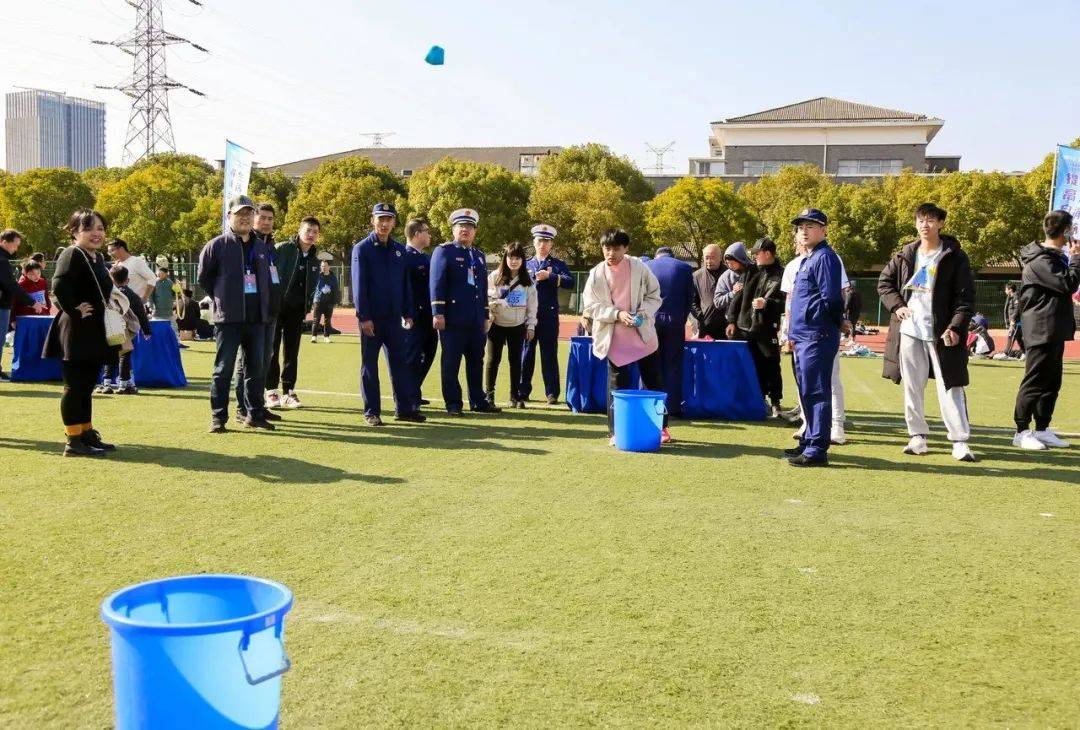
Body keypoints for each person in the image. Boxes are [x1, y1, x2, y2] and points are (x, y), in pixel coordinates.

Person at [878, 203, 976, 462]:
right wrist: (897, 306)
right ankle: (917, 436)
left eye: (931, 220)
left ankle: (959, 440)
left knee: (951, 385)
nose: (925, 225)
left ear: (941, 223)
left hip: (942, 332)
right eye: (921, 220)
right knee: (913, 385)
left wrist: (955, 326)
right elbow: (884, 283)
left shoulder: (955, 256)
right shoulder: (905, 254)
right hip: (910, 331)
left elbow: (965, 298)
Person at [582, 228, 670, 445]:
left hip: (643, 335)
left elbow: (655, 295)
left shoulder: (640, 267)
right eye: (606, 248)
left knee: (654, 383)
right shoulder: (596, 273)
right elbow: (591, 306)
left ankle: (663, 428)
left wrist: (643, 313)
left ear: (626, 248)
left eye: (616, 248)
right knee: (616, 387)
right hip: (614, 338)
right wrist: (617, 314)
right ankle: (615, 432)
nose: (610, 253)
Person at [196, 194, 275, 433]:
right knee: (223, 369)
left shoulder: (262, 247)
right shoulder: (216, 245)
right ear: (229, 216)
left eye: (248, 213)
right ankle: (218, 418)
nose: (244, 218)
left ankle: (255, 414)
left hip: (256, 319)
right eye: (240, 213)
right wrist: (223, 298)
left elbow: (269, 280)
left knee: (256, 370)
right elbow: (204, 279)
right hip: (228, 319)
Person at [43, 210, 118, 455]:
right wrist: (75, 310)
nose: (97, 234)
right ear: (75, 232)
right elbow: (58, 286)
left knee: (86, 385)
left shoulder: (95, 258)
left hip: (93, 330)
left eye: (101, 228)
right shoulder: (71, 253)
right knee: (74, 386)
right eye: (89, 229)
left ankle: (86, 433)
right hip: (75, 330)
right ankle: (73, 441)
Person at [1012, 209, 1080, 450]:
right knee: (1035, 380)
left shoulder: (1053, 257)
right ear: (1064, 231)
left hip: (1053, 328)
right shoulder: (1041, 260)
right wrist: (1075, 259)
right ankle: (1021, 430)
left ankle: (1042, 428)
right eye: (1070, 230)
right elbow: (1068, 284)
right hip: (1040, 328)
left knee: (1052, 381)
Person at [352, 202, 423, 425]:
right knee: (370, 366)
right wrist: (364, 317)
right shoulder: (362, 249)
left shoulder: (400, 250)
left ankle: (404, 409)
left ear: (394, 222)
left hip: (394, 319)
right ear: (372, 220)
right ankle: (371, 411)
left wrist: (408, 312)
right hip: (372, 319)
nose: (384, 223)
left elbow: (405, 285)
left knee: (400, 364)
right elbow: (359, 285)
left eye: (388, 219)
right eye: (380, 218)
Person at [784, 208, 843, 467]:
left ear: (824, 230)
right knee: (807, 390)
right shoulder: (810, 258)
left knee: (817, 391)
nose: (804, 231)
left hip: (816, 334)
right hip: (805, 335)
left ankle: (817, 448)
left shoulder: (825, 258)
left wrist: (833, 323)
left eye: (810, 225)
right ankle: (809, 439)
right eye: (800, 227)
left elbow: (832, 298)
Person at [430, 208, 501, 416]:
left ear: (475, 231)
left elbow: (481, 289)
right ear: (453, 229)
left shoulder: (478, 255)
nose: (465, 230)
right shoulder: (444, 251)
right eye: (461, 226)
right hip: (452, 319)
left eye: (469, 227)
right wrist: (438, 312)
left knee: (475, 361)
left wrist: (486, 314)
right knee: (451, 362)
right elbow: (437, 283)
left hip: (475, 319)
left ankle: (478, 400)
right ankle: (453, 403)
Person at [726, 237, 785, 417]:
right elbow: (737, 296)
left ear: (767, 253)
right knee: (750, 364)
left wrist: (766, 304)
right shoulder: (750, 271)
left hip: (767, 328)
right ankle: (758, 400)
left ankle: (775, 402)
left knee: (772, 364)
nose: (754, 257)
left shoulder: (782, 274)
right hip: (745, 327)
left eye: (757, 253)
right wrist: (731, 320)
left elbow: (787, 302)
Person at [267, 213, 320, 410]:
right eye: (308, 230)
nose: (311, 234)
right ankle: (271, 391)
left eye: (315, 232)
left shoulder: (314, 259)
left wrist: (307, 306)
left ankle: (289, 392)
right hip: (276, 307)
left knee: (292, 352)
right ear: (299, 231)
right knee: (271, 349)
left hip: (297, 311)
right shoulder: (282, 249)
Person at [237, 203, 284, 420]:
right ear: (254, 218)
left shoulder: (270, 246)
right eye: (262, 217)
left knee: (264, 361)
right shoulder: (247, 244)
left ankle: (258, 406)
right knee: (246, 363)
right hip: (251, 314)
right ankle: (242, 408)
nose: (266, 222)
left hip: (270, 314)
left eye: (270, 219)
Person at [519, 224, 572, 404]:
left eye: (547, 241)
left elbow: (569, 282)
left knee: (549, 354)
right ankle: (522, 390)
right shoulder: (525, 264)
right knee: (526, 354)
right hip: (528, 317)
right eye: (540, 240)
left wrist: (551, 277)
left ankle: (552, 393)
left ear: (552, 244)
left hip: (548, 316)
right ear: (534, 242)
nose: (543, 244)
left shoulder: (557, 264)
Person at [486, 242, 537, 407]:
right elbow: (487, 298)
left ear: (522, 260)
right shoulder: (495, 276)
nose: (514, 261)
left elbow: (532, 306)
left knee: (515, 361)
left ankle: (515, 397)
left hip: (517, 326)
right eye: (510, 257)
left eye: (517, 258)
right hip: (497, 325)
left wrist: (530, 326)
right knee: (493, 360)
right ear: (505, 258)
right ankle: (489, 395)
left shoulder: (528, 281)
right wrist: (497, 302)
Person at [645, 246, 694, 417]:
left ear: (657, 255)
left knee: (649, 364)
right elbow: (690, 298)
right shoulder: (685, 268)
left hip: (651, 319)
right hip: (675, 319)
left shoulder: (647, 266)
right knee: (672, 364)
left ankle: (648, 405)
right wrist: (681, 317)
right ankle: (672, 407)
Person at [1, 229, 48, 380]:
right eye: (15, 245)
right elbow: (11, 285)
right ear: (4, 242)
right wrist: (33, 302)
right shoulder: (2, 260)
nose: (16, 249)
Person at [101, 265, 151, 394]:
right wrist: (146, 330)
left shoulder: (107, 293)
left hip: (109, 326)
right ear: (127, 280)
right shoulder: (132, 295)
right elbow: (141, 313)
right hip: (125, 329)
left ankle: (106, 383)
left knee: (109, 353)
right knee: (124, 354)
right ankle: (123, 384)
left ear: (111, 279)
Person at [403, 217, 437, 409]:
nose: (429, 235)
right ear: (417, 234)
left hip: (428, 316)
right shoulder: (405, 257)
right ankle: (409, 395)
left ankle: (414, 390)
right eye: (426, 231)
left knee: (429, 352)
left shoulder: (425, 256)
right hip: (414, 316)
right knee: (413, 356)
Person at [712, 242, 751, 337]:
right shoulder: (725, 277)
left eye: (732, 263)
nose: (730, 266)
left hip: (752, 322)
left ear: (740, 259)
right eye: (727, 263)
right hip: (733, 324)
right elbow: (717, 302)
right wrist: (732, 293)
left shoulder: (754, 272)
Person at [689, 243, 727, 339]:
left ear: (720, 257)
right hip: (705, 326)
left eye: (713, 257)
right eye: (706, 258)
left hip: (726, 325)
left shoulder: (728, 274)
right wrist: (701, 316)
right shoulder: (696, 276)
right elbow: (692, 301)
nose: (709, 261)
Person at [310, 259, 340, 343]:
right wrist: (313, 298)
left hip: (329, 301)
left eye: (325, 266)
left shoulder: (333, 277)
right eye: (322, 266)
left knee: (327, 320)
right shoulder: (317, 276)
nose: (323, 268)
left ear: (329, 267)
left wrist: (334, 299)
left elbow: (336, 289)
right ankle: (314, 336)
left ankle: (326, 337)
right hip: (318, 300)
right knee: (316, 319)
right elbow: (312, 287)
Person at [1003, 282, 1024, 356]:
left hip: (1015, 322)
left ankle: (1006, 352)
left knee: (1011, 335)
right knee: (1018, 337)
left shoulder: (1016, 296)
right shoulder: (1010, 297)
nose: (1005, 291)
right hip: (1013, 322)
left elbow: (1017, 309)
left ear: (1010, 289)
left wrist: (1013, 319)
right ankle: (1025, 352)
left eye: (1006, 289)